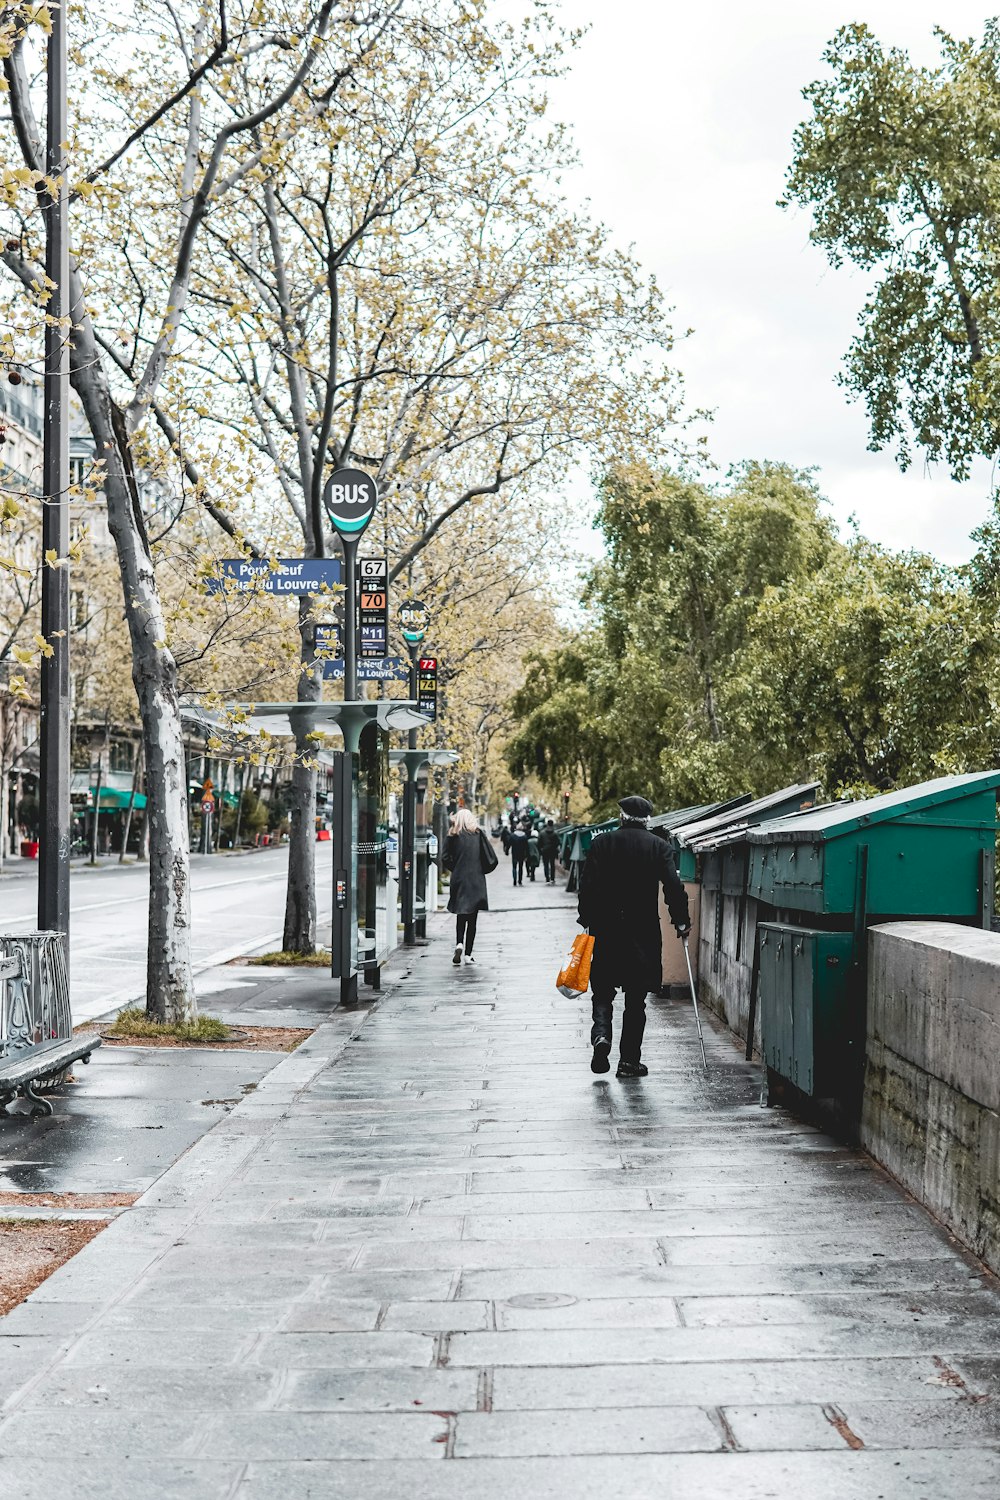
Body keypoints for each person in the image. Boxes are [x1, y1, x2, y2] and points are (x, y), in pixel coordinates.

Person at [577, 795, 690, 1078]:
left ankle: (601, 1035)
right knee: (636, 1000)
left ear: (622, 816)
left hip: (606, 930)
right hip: (642, 933)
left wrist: (587, 917)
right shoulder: (659, 847)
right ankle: (629, 1061)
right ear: (647, 820)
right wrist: (681, 921)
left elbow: (587, 885)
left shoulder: (602, 843)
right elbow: (673, 888)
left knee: (602, 991)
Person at [443, 809, 497, 965]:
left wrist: (456, 868)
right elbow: (490, 857)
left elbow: (445, 857)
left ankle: (459, 943)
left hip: (459, 879)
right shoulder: (478, 834)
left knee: (461, 913)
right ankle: (468, 954)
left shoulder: (452, 835)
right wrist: (481, 869)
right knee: (473, 918)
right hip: (476, 879)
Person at [538, 819, 559, 884]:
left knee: (546, 865)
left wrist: (541, 849)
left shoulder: (542, 833)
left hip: (545, 850)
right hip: (552, 850)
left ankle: (547, 878)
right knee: (552, 865)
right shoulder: (555, 833)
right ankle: (552, 878)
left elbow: (539, 842)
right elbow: (557, 842)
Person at [508, 820, 528, 886]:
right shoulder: (524, 836)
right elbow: (526, 847)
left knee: (514, 867)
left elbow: (509, 844)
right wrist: (527, 855)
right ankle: (520, 880)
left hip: (514, 853)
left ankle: (514, 880)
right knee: (520, 867)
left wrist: (507, 851)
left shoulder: (512, 835)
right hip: (522, 854)